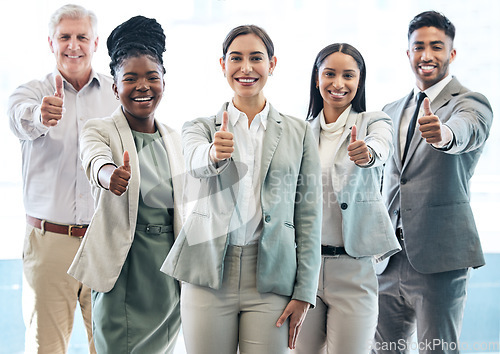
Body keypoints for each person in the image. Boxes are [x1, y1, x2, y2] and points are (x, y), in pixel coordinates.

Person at [161, 24, 322, 354]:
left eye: (256, 58)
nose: (246, 68)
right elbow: (193, 161)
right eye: (236, 58)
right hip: (208, 271)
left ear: (272, 65)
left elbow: (308, 217)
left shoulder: (299, 132)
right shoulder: (200, 127)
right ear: (223, 65)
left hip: (271, 275)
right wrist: (213, 154)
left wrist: (305, 291)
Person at [373, 11, 493, 354]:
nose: (427, 55)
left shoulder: (469, 103)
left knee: (436, 350)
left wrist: (444, 135)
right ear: (408, 53)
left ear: (451, 54)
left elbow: (468, 130)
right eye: (419, 47)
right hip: (387, 260)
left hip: (439, 260)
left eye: (436, 47)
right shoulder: (391, 110)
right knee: (383, 350)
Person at [67, 15, 184, 354]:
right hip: (123, 272)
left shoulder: (175, 139)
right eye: (130, 78)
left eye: (152, 77)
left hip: (167, 280)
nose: (142, 86)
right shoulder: (99, 129)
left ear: (164, 82)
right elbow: (94, 160)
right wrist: (109, 175)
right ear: (116, 87)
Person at [7, 4, 118, 353]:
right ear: (50, 43)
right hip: (50, 242)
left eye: (81, 37)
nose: (73, 45)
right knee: (46, 347)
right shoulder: (29, 93)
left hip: (105, 242)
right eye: (64, 37)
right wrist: (41, 115)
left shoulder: (117, 94)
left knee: (109, 345)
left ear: (95, 42)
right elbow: (18, 121)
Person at [292, 43, 400, 354]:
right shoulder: (300, 132)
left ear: (360, 81)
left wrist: (367, 154)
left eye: (348, 76)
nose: (338, 84)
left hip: (354, 268)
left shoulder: (373, 122)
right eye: (330, 74)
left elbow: (381, 147)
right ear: (317, 78)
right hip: (305, 269)